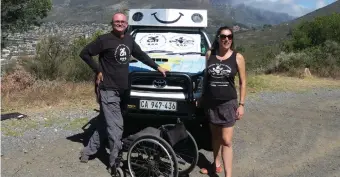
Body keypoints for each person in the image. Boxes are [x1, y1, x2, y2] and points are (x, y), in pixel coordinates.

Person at [78, 12, 168, 175]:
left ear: (127, 24)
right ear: (112, 24)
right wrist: (97, 70)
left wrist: (158, 67)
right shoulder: (104, 40)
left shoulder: (129, 39)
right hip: (108, 89)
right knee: (116, 128)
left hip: (123, 91)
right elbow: (84, 53)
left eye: (122, 21)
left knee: (106, 122)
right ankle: (115, 163)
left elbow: (141, 55)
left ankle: (88, 151)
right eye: (116, 21)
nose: (120, 24)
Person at [199, 26, 247, 177]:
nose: (226, 39)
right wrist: (201, 96)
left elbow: (243, 82)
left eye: (229, 36)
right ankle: (216, 163)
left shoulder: (237, 57)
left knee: (226, 140)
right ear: (218, 38)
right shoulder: (209, 55)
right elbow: (206, 78)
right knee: (215, 136)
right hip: (211, 103)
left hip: (228, 103)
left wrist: (241, 104)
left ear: (232, 39)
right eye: (223, 36)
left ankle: (228, 175)